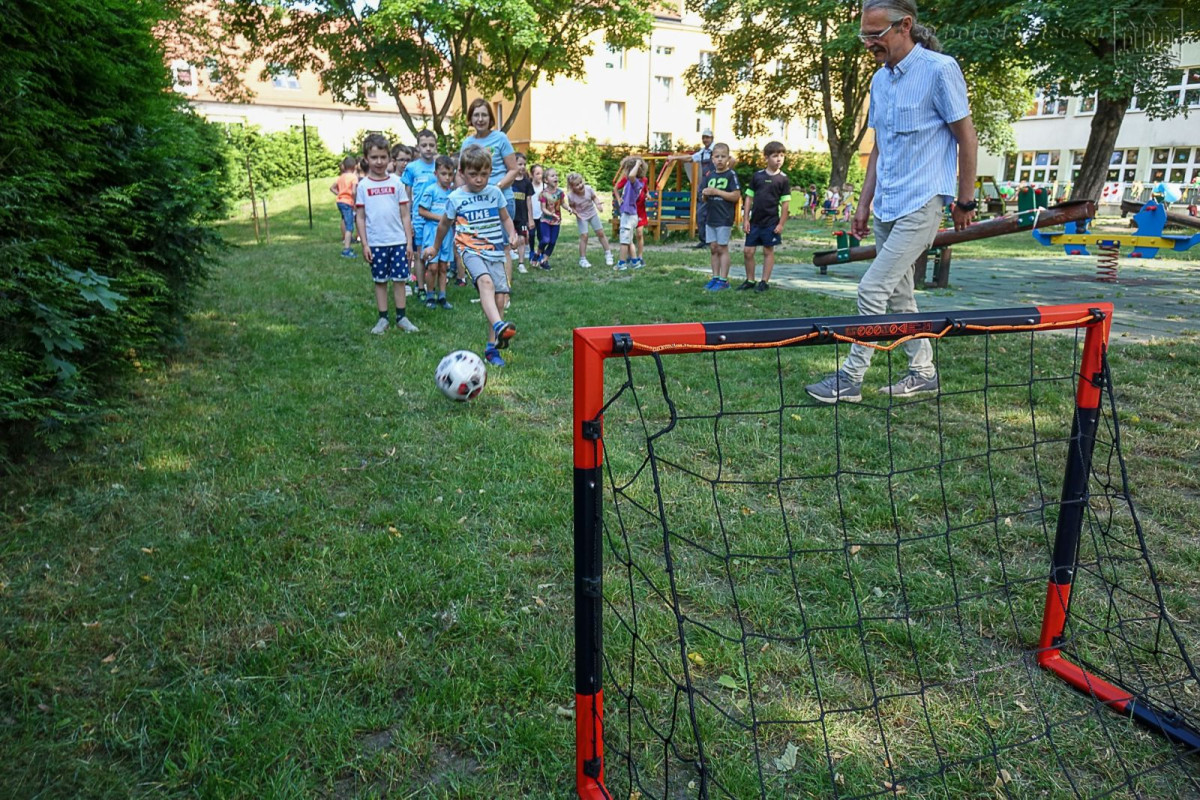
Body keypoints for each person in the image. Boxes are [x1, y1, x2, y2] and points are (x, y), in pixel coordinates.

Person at [805, 0, 977, 403]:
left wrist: (964, 201)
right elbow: (879, 147)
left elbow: (966, 137)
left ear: (905, 26)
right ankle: (923, 371)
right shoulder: (879, 81)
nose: (868, 43)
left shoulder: (940, 70)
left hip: (923, 201)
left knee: (872, 288)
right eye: (864, 34)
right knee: (900, 296)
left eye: (875, 34)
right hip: (887, 202)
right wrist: (863, 203)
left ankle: (850, 377)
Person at [425, 145, 517, 367]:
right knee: (485, 283)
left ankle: (491, 348)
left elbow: (505, 218)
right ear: (462, 173)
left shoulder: (495, 193)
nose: (479, 180)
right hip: (470, 250)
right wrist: (435, 248)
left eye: (484, 174)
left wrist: (512, 233)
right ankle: (498, 326)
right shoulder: (456, 198)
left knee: (500, 299)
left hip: (495, 251)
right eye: (473, 174)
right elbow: (444, 225)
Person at [355, 133, 419, 335]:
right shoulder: (363, 186)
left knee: (400, 279)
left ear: (389, 158)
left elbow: (405, 214)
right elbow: (361, 217)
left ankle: (401, 317)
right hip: (376, 243)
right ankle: (383, 318)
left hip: (398, 241)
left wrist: (409, 242)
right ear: (366, 159)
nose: (379, 162)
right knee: (380, 281)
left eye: (383, 157)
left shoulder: (396, 183)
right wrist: (365, 244)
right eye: (374, 157)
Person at [460, 99, 519, 296]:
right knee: (481, 245)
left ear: (490, 118)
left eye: (484, 114)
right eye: (476, 115)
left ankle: (504, 291)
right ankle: (488, 291)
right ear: (470, 118)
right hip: (475, 204)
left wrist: (495, 188)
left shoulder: (500, 138)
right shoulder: (467, 143)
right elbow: (462, 174)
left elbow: (513, 170)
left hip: (501, 199)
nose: (480, 119)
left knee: (502, 246)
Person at [739, 141, 790, 292]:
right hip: (755, 222)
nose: (779, 159)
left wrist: (781, 224)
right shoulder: (757, 176)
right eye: (775, 156)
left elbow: (786, 204)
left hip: (771, 222)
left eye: (782, 156)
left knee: (768, 251)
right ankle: (750, 280)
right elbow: (749, 198)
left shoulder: (783, 179)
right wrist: (746, 218)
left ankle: (764, 282)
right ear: (766, 158)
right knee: (748, 251)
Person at [416, 155, 457, 310]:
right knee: (432, 266)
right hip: (431, 232)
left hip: (447, 234)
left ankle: (442, 296)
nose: (447, 178)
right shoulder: (430, 190)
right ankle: (430, 295)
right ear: (436, 174)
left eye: (450, 174)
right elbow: (421, 210)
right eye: (443, 174)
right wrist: (441, 218)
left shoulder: (452, 193)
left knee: (443, 266)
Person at [403, 130, 440, 297]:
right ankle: (420, 287)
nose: (428, 149)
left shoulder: (439, 166)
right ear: (418, 147)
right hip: (418, 217)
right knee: (419, 253)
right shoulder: (412, 168)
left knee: (435, 251)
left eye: (431, 145)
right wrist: (409, 218)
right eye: (424, 145)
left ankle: (435, 286)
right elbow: (407, 195)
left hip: (437, 217)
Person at [700, 143, 741, 291]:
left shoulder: (731, 175)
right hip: (710, 217)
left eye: (723, 157)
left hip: (724, 217)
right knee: (713, 248)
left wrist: (717, 192)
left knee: (722, 248)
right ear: (712, 159)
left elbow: (736, 196)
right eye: (717, 157)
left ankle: (724, 280)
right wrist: (705, 194)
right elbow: (704, 198)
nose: (720, 160)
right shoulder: (710, 175)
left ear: (728, 158)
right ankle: (715, 277)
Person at [668, 129, 715, 248]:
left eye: (707, 137)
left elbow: (729, 161)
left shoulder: (717, 150)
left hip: (715, 184)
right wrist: (674, 158)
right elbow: (690, 158)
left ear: (712, 138)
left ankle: (713, 241)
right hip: (704, 184)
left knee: (713, 214)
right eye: (703, 137)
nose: (705, 140)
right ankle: (704, 240)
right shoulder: (703, 152)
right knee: (700, 213)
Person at [565, 172, 613, 269]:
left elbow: (594, 197)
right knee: (584, 236)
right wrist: (575, 213)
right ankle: (582, 259)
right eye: (577, 185)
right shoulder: (571, 196)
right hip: (582, 216)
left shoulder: (588, 189)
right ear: (572, 187)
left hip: (592, 213)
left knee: (600, 233)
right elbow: (572, 207)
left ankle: (608, 254)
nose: (580, 185)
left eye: (580, 182)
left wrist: (598, 204)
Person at [615, 157, 648, 269]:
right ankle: (635, 261)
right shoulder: (630, 182)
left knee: (624, 241)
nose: (624, 171)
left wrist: (638, 163)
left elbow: (631, 175)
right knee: (629, 241)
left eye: (627, 169)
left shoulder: (636, 183)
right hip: (630, 214)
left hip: (629, 215)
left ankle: (621, 263)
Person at [509, 153, 535, 274]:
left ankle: (521, 263)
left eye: (524, 164)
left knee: (522, 238)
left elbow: (529, 201)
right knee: (509, 238)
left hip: (522, 215)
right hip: (509, 215)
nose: (522, 167)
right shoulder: (509, 181)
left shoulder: (527, 183)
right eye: (519, 164)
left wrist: (530, 218)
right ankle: (509, 256)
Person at [329, 156, 359, 258]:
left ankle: (348, 246)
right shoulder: (354, 177)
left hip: (340, 202)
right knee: (350, 226)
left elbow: (332, 188)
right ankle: (346, 250)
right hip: (348, 202)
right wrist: (355, 201)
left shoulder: (341, 177)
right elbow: (354, 191)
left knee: (345, 220)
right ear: (355, 166)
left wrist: (339, 194)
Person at [536, 168, 565, 270]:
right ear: (546, 180)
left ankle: (544, 261)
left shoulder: (560, 193)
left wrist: (569, 208)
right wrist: (552, 214)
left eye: (556, 175)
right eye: (552, 176)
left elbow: (563, 203)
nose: (555, 177)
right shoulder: (544, 194)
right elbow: (543, 209)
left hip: (556, 222)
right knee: (545, 240)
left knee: (552, 242)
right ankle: (537, 253)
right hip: (545, 220)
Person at [528, 163, 545, 265]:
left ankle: (540, 253)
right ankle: (531, 251)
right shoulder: (529, 186)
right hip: (531, 215)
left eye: (541, 173)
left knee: (541, 235)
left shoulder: (545, 186)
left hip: (542, 215)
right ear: (532, 174)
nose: (540, 176)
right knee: (531, 235)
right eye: (537, 173)